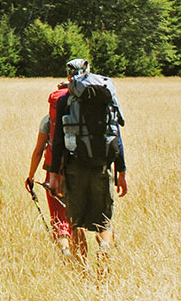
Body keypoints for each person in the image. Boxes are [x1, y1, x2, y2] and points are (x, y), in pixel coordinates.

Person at [46, 58, 128, 267]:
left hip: (75, 167)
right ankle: (104, 249)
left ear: (68, 75)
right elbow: (115, 134)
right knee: (104, 222)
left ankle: (81, 270)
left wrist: (54, 174)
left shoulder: (66, 100)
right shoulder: (106, 95)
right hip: (102, 166)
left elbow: (58, 140)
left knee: (76, 223)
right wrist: (121, 171)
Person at [26, 79, 72, 255]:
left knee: (59, 219)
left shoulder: (48, 120)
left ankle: (65, 251)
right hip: (80, 172)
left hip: (55, 172)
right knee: (76, 218)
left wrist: (30, 177)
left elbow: (38, 151)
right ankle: (80, 263)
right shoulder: (85, 120)